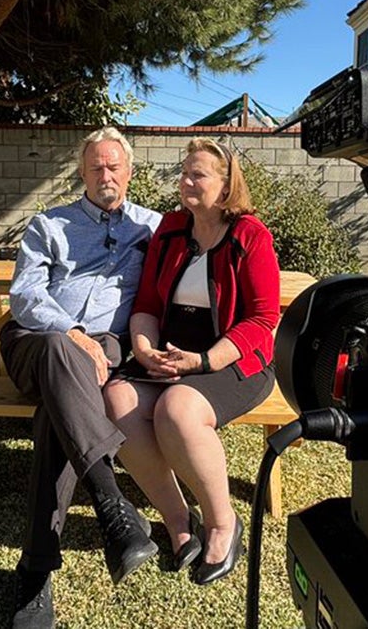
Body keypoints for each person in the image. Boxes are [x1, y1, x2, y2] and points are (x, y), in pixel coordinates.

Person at [1, 126, 163, 629]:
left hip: (109, 352)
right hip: (36, 342)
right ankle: (112, 504)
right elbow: (25, 296)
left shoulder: (155, 227)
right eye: (95, 166)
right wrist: (72, 332)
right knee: (58, 353)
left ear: (130, 172)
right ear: (82, 172)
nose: (105, 174)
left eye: (114, 166)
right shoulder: (48, 225)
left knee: (60, 409)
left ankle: (35, 570)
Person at [104, 138, 280, 586]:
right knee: (117, 398)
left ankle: (223, 523)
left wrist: (202, 361)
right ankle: (179, 521)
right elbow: (145, 304)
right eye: (184, 171)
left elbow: (263, 319)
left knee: (177, 409)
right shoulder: (170, 229)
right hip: (172, 356)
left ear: (225, 186)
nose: (185, 181)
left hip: (234, 362)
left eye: (197, 174)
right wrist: (144, 350)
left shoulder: (251, 236)